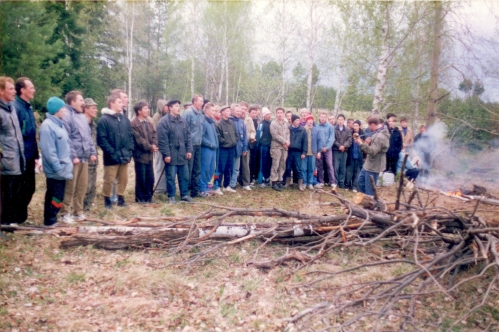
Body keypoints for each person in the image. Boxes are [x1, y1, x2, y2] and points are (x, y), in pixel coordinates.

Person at [59, 91, 97, 222]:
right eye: (80, 100)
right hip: (73, 159)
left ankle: (78, 212)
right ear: (72, 102)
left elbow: (88, 137)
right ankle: (65, 213)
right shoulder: (66, 116)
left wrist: (92, 152)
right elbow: (67, 138)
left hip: (84, 158)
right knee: (70, 187)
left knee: (82, 186)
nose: (82, 103)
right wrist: (73, 156)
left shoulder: (81, 117)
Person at [39, 97, 74, 226]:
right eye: (62, 108)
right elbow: (49, 151)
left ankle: (53, 217)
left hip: (63, 169)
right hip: (56, 171)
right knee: (54, 196)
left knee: (58, 196)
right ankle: (49, 220)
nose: (65, 110)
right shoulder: (47, 126)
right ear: (56, 110)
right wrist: (58, 167)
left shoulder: (59, 124)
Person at [97, 94, 134, 209]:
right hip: (111, 157)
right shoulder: (103, 120)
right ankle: (107, 201)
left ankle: (121, 199)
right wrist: (112, 153)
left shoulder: (124, 119)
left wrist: (130, 150)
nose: (122, 104)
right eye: (119, 102)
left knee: (123, 179)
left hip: (124, 156)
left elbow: (130, 136)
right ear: (111, 104)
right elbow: (102, 139)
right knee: (109, 179)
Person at [12, 77, 39, 224]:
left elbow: (31, 134)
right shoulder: (16, 107)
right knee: (18, 188)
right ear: (22, 90)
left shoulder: (28, 107)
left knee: (30, 187)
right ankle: (13, 218)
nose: (34, 90)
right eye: (31, 87)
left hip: (29, 155)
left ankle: (21, 217)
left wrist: (36, 155)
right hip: (20, 156)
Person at [0, 76, 25, 226]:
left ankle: (8, 221)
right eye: (10, 89)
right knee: (4, 193)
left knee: (12, 192)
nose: (14, 92)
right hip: (5, 161)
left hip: (15, 159)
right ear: (1, 91)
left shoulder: (12, 109)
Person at [157, 100, 193, 204]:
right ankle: (171, 196)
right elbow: (162, 140)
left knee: (184, 176)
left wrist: (189, 150)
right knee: (171, 177)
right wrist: (166, 154)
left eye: (179, 106)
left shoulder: (183, 121)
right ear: (170, 108)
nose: (178, 108)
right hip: (171, 155)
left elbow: (188, 137)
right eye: (176, 106)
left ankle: (184, 195)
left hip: (182, 154)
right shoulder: (163, 122)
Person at [354, 116, 390, 196]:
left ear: (373, 124)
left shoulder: (380, 136)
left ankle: (370, 205)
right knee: (360, 182)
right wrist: (366, 143)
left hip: (374, 165)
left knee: (369, 189)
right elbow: (373, 147)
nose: (369, 128)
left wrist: (360, 143)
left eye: (369, 126)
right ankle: (365, 201)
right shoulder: (378, 132)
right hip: (368, 164)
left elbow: (372, 151)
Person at [131, 100, 158, 204]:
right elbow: (139, 140)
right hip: (140, 155)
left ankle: (149, 197)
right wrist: (150, 147)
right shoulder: (133, 124)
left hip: (150, 155)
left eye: (148, 108)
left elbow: (155, 134)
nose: (148, 110)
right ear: (139, 111)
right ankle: (140, 198)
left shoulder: (149, 122)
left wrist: (154, 144)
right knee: (141, 177)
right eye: (146, 108)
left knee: (150, 177)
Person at [182, 94, 204, 198]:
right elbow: (184, 131)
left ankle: (195, 191)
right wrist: (187, 148)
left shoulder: (200, 113)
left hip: (198, 145)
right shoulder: (188, 113)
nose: (202, 103)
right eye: (200, 101)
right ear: (194, 101)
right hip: (190, 146)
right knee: (189, 170)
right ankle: (186, 191)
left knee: (197, 169)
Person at [215, 105, 238, 192]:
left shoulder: (232, 123)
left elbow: (236, 134)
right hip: (223, 149)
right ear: (222, 112)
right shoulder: (218, 124)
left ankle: (226, 185)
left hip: (231, 149)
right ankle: (217, 186)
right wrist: (226, 142)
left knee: (229, 168)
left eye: (229, 111)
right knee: (220, 168)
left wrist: (234, 141)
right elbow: (219, 138)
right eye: (227, 111)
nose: (229, 112)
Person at [82, 98, 99, 211]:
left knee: (92, 185)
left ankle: (87, 208)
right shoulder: (81, 124)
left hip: (93, 160)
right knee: (84, 186)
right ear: (86, 109)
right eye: (93, 108)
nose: (96, 110)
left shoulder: (94, 125)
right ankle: (79, 209)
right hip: (84, 160)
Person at [227, 104, 247, 191]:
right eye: (237, 111)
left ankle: (233, 184)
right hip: (230, 148)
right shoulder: (229, 121)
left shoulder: (242, 122)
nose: (239, 113)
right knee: (229, 167)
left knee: (236, 168)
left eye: (240, 111)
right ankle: (226, 184)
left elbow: (245, 136)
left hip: (239, 148)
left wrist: (244, 148)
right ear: (232, 111)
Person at [199, 103, 219, 197]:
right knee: (205, 169)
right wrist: (210, 144)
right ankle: (202, 189)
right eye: (212, 110)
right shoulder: (203, 121)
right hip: (206, 149)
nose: (214, 112)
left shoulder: (212, 121)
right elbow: (201, 137)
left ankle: (209, 187)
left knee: (211, 169)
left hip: (213, 150)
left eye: (215, 110)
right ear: (206, 111)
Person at [284, 114, 307, 191]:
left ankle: (300, 184)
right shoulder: (288, 129)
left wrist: (304, 152)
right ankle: (287, 183)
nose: (298, 121)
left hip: (298, 152)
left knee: (298, 168)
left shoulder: (303, 130)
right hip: (289, 151)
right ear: (293, 121)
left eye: (299, 120)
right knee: (288, 167)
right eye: (297, 120)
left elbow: (305, 142)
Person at [270, 107, 290, 191]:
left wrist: (288, 142)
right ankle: (274, 182)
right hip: (276, 147)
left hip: (284, 148)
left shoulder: (286, 123)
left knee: (282, 165)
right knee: (276, 164)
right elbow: (275, 135)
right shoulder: (273, 123)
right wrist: (284, 141)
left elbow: (288, 133)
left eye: (281, 112)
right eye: (278, 112)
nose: (279, 114)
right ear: (276, 113)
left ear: (283, 113)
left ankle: (279, 180)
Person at [151, 99, 168, 194]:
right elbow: (155, 132)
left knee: (166, 168)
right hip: (159, 146)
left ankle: (165, 188)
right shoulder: (157, 117)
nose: (167, 108)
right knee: (159, 167)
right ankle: (159, 188)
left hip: (166, 146)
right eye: (165, 106)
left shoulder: (168, 116)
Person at [315, 112, 335, 189]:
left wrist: (327, 147)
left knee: (329, 165)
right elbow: (316, 139)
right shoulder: (316, 127)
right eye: (321, 117)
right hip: (319, 150)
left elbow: (332, 138)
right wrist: (319, 150)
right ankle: (321, 181)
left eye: (324, 117)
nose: (323, 118)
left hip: (328, 149)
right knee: (319, 166)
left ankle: (332, 182)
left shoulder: (330, 127)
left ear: (326, 118)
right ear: (319, 117)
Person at [333, 114, 352, 189]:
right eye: (339, 119)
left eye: (342, 120)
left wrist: (344, 146)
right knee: (335, 167)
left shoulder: (347, 130)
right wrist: (339, 146)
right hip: (336, 151)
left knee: (342, 167)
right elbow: (333, 139)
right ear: (337, 120)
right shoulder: (334, 129)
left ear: (344, 120)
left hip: (344, 151)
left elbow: (349, 140)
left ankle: (341, 183)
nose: (340, 121)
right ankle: (335, 182)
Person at [302, 115, 321, 190]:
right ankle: (304, 182)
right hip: (304, 153)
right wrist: (302, 152)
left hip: (313, 153)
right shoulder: (303, 129)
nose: (310, 122)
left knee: (311, 168)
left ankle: (310, 183)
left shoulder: (316, 130)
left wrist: (318, 151)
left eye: (311, 120)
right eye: (309, 120)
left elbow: (319, 141)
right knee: (303, 168)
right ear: (306, 121)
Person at [240, 101, 255, 190]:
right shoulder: (235, 118)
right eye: (242, 108)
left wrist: (252, 137)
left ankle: (246, 183)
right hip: (237, 144)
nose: (243, 111)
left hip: (246, 144)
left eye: (245, 109)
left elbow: (253, 130)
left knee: (245, 164)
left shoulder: (249, 119)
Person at [345, 120, 364, 191]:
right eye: (354, 126)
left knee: (357, 172)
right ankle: (347, 185)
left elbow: (365, 145)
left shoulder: (363, 134)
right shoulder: (350, 133)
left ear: (359, 126)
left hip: (359, 156)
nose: (355, 127)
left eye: (357, 126)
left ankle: (354, 186)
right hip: (351, 155)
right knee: (349, 171)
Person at [256, 107, 272, 187]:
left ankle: (267, 179)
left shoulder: (271, 123)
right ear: (264, 115)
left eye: (269, 114)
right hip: (263, 146)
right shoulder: (261, 124)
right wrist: (258, 145)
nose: (269, 116)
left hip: (270, 146)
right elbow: (258, 136)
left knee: (269, 163)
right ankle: (261, 180)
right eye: (267, 114)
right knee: (262, 163)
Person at [248, 105, 260, 184]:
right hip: (248, 143)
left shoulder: (256, 121)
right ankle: (247, 179)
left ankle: (252, 178)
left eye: (255, 113)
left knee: (253, 162)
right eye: (253, 113)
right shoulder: (247, 121)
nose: (254, 114)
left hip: (255, 144)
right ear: (249, 113)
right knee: (248, 163)